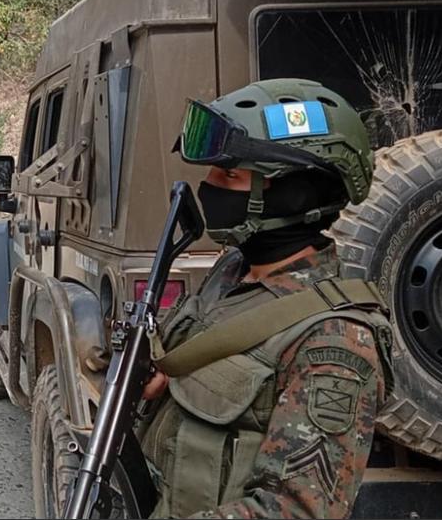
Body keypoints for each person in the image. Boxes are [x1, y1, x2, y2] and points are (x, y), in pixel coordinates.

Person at [140, 79, 394, 518]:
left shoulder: (333, 342)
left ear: (293, 193)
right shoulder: (232, 273)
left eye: (229, 175)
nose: (208, 186)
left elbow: (295, 511)